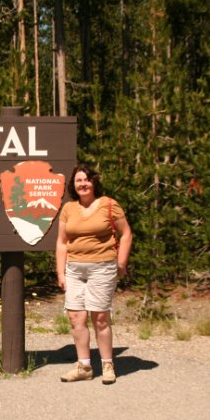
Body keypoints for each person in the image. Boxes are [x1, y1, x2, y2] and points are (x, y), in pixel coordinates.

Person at [55, 164, 132, 384]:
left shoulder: (109, 205)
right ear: (74, 184)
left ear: (94, 182)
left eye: (87, 180)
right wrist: (61, 272)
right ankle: (84, 366)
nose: (83, 184)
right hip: (74, 269)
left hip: (102, 267)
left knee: (100, 318)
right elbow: (62, 242)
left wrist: (121, 262)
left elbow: (126, 234)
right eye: (79, 180)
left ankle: (107, 365)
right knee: (76, 318)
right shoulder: (69, 209)